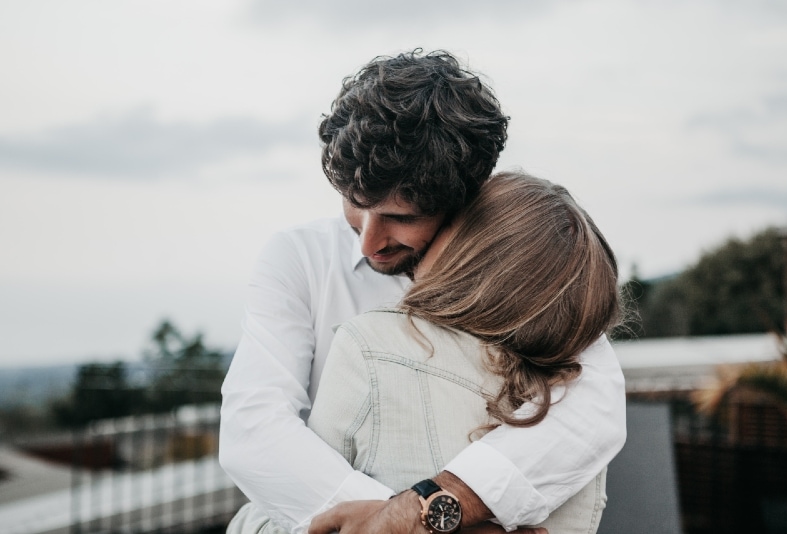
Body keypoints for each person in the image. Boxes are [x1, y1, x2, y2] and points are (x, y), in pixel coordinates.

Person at [219, 50, 626, 534]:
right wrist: (421, 520)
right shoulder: (299, 258)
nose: (369, 241)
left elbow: (594, 402)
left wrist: (428, 511)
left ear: (464, 200)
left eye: (401, 217)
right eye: (354, 202)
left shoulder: (518, 260)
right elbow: (252, 429)